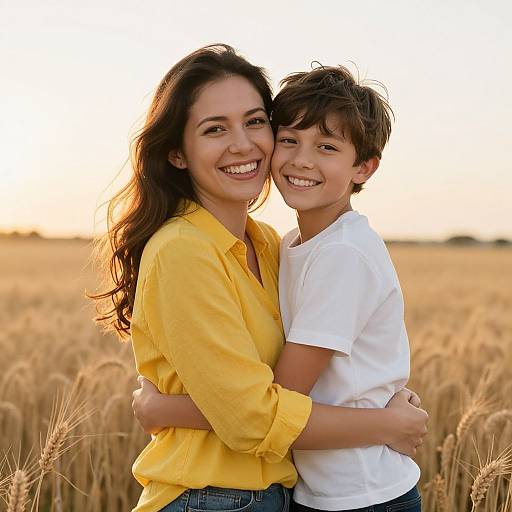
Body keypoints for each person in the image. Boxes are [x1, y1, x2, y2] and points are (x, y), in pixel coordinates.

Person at [94, 43, 427, 512]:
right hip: (209, 496)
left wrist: (377, 400)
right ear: (176, 153)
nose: (243, 144)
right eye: (214, 129)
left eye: (254, 122)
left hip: (299, 493)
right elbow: (255, 415)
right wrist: (385, 425)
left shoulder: (272, 244)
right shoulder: (184, 251)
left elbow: (283, 391)